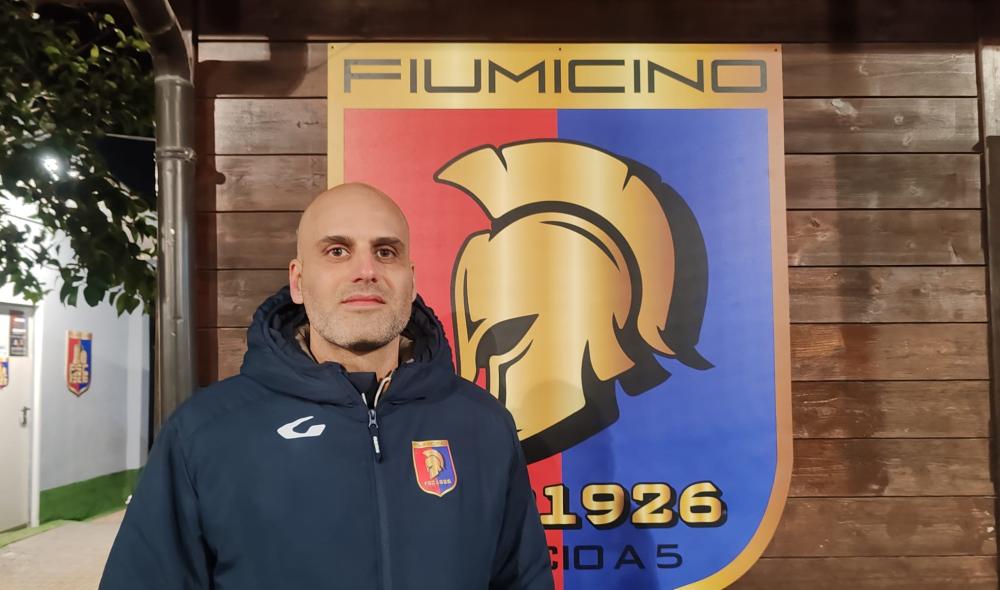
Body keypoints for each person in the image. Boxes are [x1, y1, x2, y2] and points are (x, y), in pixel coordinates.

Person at [99, 183, 553, 590]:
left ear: (412, 280)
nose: (366, 270)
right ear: (298, 281)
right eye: (337, 251)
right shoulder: (205, 433)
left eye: (386, 252)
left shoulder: (483, 424)